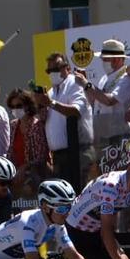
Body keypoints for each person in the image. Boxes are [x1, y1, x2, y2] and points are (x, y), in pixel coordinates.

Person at [37, 53, 93, 189]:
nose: (52, 73)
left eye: (56, 69)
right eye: (49, 70)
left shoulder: (75, 83)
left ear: (67, 68)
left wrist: (50, 103)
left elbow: (76, 111)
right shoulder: (50, 92)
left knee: (80, 194)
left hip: (78, 152)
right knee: (64, 197)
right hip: (59, 156)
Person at [85, 39, 130, 160]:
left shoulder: (128, 79)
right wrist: (86, 87)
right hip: (103, 137)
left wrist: (87, 85)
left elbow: (109, 101)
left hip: (119, 136)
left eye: (105, 59)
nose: (103, 62)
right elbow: (95, 101)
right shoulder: (104, 78)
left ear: (117, 59)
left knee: (119, 174)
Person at [7, 88, 52, 189]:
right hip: (16, 176)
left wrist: (25, 168)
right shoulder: (13, 126)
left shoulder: (36, 125)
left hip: (36, 176)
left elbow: (41, 157)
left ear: (27, 106)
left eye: (18, 106)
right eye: (12, 106)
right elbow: (10, 152)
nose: (15, 109)